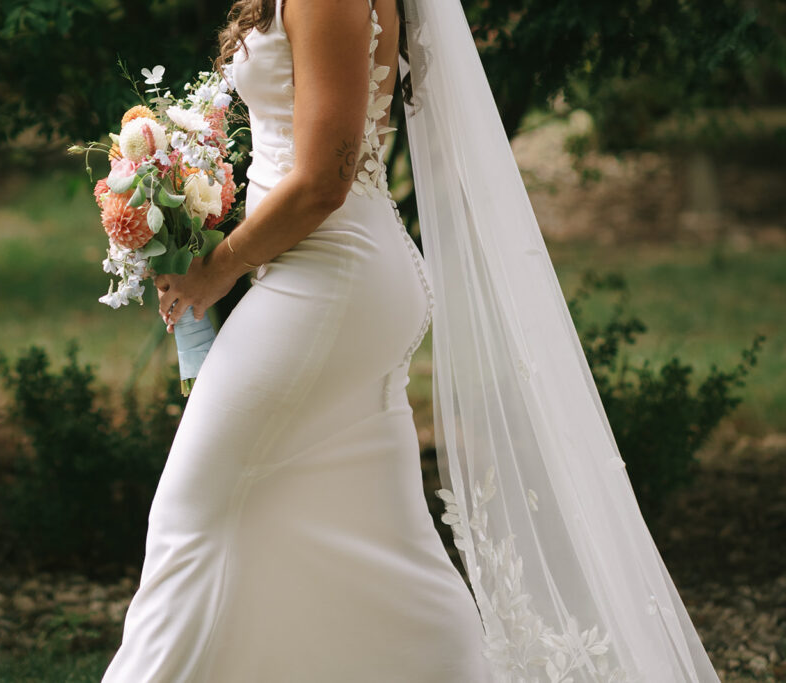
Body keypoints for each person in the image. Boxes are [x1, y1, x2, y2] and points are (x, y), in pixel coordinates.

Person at [103, 0, 723, 681]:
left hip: (325, 284)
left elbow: (323, 178)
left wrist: (218, 268)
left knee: (190, 517)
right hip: (333, 279)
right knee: (383, 545)